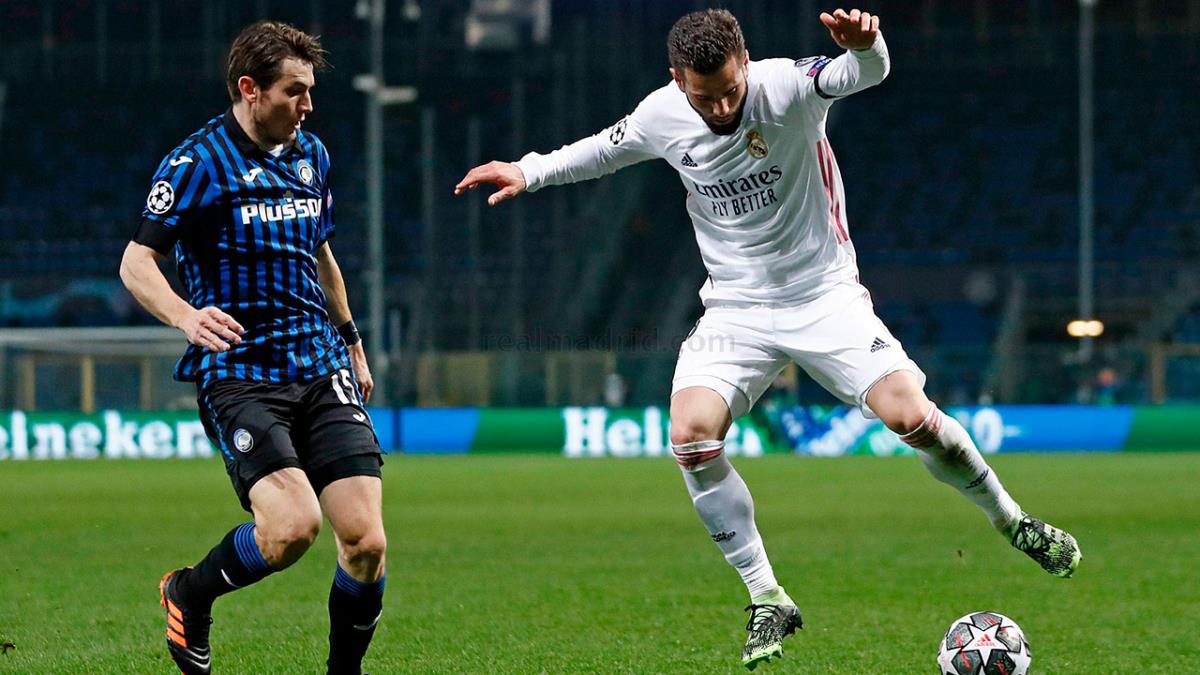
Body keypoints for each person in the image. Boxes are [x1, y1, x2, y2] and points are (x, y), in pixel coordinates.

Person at [455, 8, 1081, 670]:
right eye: (705, 96)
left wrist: (869, 46)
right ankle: (767, 595)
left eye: (729, 88)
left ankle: (1014, 521)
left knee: (911, 417)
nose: (722, 105)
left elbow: (863, 74)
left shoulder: (784, 85)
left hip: (824, 295)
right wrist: (530, 170)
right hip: (736, 307)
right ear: (677, 81)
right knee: (690, 435)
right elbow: (605, 150)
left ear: (745, 62)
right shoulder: (663, 114)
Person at [119, 21, 386, 675]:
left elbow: (321, 253)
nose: (308, 105)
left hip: (321, 365)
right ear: (250, 89)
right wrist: (185, 315)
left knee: (366, 542)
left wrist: (351, 340)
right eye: (294, 91)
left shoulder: (311, 155)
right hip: (242, 374)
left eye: (310, 91)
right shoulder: (198, 162)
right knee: (292, 528)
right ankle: (190, 591)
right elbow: (136, 261)